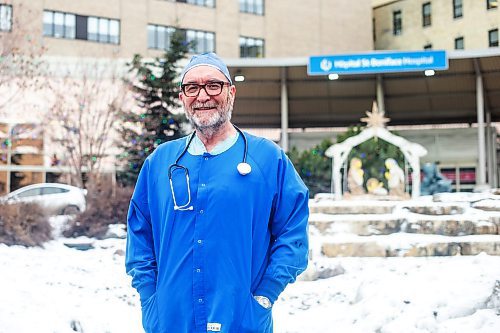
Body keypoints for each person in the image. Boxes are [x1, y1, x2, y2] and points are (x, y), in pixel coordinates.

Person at [125, 52, 309, 333]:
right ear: (182, 96)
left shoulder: (268, 159)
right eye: (192, 87)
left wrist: (266, 293)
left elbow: (293, 234)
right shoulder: (160, 163)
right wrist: (150, 296)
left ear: (231, 93)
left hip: (241, 319)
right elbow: (140, 235)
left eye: (213, 85)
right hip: (171, 320)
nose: (202, 96)